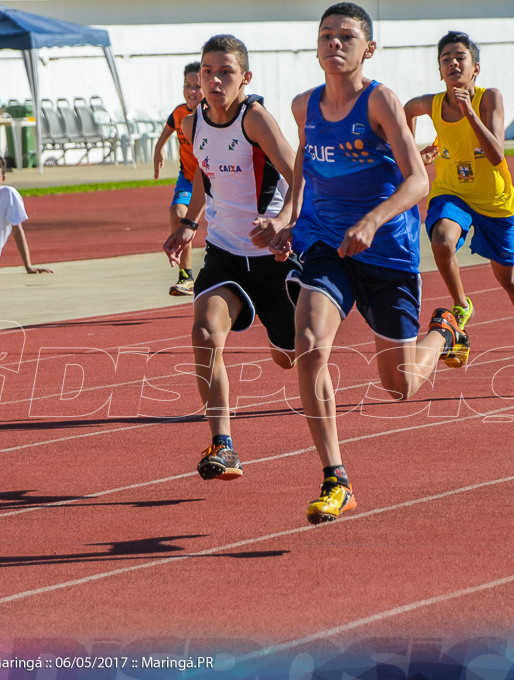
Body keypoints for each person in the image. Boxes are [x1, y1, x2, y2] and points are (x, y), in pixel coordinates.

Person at [275, 3, 467, 524]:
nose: (335, 44)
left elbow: (418, 181)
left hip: (386, 252)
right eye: (326, 36)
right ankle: (336, 478)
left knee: (400, 384)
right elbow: (304, 161)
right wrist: (288, 217)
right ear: (316, 47)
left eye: (346, 37)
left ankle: (445, 331)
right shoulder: (303, 106)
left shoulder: (379, 100)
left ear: (369, 48)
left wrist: (372, 221)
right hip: (325, 244)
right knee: (309, 345)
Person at [162, 34, 299, 483]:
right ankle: (223, 443)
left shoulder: (254, 119)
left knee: (290, 354)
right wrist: (188, 224)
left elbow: (299, 174)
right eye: (207, 71)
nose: (214, 80)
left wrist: (284, 223)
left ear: (245, 78)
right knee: (204, 332)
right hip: (223, 251)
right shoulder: (190, 123)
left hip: (271, 255)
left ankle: (285, 340)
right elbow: (205, 175)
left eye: (225, 72)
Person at [404, 31, 514, 392]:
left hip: (494, 201)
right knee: (440, 239)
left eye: (460, 58)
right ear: (440, 71)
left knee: (509, 279)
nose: (453, 64)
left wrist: (469, 111)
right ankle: (461, 303)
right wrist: (412, 155)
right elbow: (407, 109)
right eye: (446, 60)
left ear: (475, 68)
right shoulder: (433, 103)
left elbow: (497, 154)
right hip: (452, 191)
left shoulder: (489, 98)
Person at [153, 61, 203, 296]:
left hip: (215, 180)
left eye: (197, 86)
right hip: (189, 178)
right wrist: (158, 151)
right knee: (178, 213)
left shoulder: (213, 115)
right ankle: (186, 276)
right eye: (187, 85)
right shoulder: (179, 112)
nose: (192, 91)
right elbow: (165, 133)